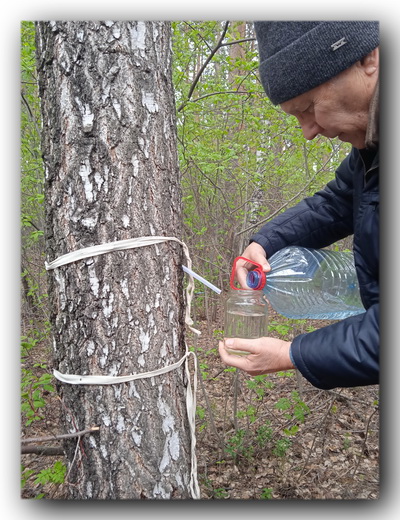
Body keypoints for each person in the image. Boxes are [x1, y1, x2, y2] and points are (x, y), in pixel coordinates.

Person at [218, 21, 379, 390]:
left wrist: (293, 353)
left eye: (309, 107)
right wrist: (266, 242)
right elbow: (339, 201)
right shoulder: (372, 147)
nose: (308, 131)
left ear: (367, 58)